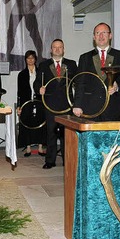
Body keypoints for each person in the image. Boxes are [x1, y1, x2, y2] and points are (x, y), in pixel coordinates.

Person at [73, 23, 120, 121]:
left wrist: (117, 86)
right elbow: (80, 82)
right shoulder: (85, 58)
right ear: (94, 37)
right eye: (98, 33)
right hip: (90, 109)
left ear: (110, 36)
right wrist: (77, 105)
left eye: (104, 32)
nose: (101, 36)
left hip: (112, 109)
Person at [33, 39, 77, 169]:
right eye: (55, 47)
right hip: (50, 105)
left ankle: (67, 160)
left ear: (63, 49)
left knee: (66, 134)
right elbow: (37, 83)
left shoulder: (71, 64)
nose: (57, 49)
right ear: (51, 50)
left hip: (67, 105)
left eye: (60, 47)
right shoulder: (43, 65)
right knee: (51, 133)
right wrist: (38, 89)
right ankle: (50, 161)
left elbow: (79, 81)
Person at [16, 50, 46, 157]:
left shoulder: (41, 73)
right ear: (25, 60)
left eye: (32, 58)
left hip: (39, 102)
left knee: (41, 123)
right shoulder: (21, 74)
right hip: (26, 102)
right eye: (28, 58)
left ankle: (40, 147)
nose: (30, 60)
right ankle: (28, 148)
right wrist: (19, 106)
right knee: (26, 123)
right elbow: (19, 92)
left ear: (35, 59)